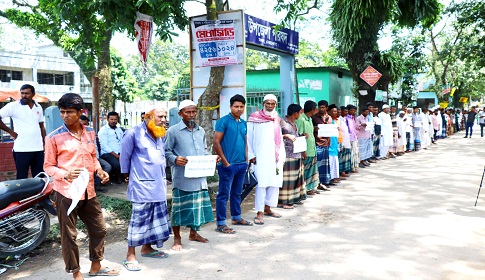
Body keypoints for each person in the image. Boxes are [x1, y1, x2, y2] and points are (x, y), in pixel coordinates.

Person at [44, 93, 118, 279]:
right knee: (69, 236)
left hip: (89, 191)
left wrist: (100, 171)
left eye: (69, 112)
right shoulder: (53, 137)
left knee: (99, 228)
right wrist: (65, 174)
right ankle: (75, 272)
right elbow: (48, 166)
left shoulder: (91, 132)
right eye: (62, 112)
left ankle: (95, 266)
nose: (65, 116)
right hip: (66, 193)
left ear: (80, 112)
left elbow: (93, 157)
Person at [120, 106, 171, 271]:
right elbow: (125, 156)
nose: (163, 120)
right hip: (141, 185)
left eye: (164, 116)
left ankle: (147, 248)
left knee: (154, 219)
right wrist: (126, 174)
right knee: (139, 221)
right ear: (147, 116)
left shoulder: (159, 134)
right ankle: (130, 255)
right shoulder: (133, 133)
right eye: (160, 116)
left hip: (158, 184)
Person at [164, 100, 215, 250]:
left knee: (196, 207)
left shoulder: (201, 131)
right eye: (188, 112)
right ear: (180, 114)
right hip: (182, 178)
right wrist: (175, 159)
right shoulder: (172, 131)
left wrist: (212, 159)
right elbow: (166, 151)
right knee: (179, 210)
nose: (191, 115)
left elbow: (205, 150)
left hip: (199, 177)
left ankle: (193, 233)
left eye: (193, 111)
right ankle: (177, 238)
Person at [213, 94, 253, 232]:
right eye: (236, 106)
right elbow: (216, 142)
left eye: (242, 107)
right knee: (223, 194)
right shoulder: (223, 121)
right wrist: (224, 162)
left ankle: (236, 217)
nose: (239, 109)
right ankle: (221, 223)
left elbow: (244, 141)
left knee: (236, 193)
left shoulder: (243, 123)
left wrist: (246, 159)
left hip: (241, 164)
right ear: (230, 107)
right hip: (227, 165)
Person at [247, 94, 285, 225]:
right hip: (260, 156)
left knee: (274, 183)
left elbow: (279, 138)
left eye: (272, 103)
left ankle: (268, 208)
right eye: (267, 103)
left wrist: (281, 155)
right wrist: (251, 155)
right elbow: (249, 137)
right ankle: (259, 212)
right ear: (263, 103)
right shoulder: (254, 118)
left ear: (275, 104)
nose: (270, 106)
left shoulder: (276, 118)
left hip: (275, 156)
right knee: (261, 184)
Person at [0, 84, 46, 179]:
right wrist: (11, 132)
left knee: (40, 177)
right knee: (22, 178)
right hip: (22, 149)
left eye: (27, 93)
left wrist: (45, 142)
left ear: (33, 94)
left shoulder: (38, 107)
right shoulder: (13, 106)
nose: (24, 96)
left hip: (38, 149)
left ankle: (39, 194)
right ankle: (22, 195)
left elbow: (41, 126)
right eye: (22, 93)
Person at [278, 104, 305, 209]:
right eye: (299, 113)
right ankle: (283, 201)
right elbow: (276, 136)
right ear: (295, 113)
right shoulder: (282, 123)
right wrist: (286, 136)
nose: (300, 115)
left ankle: (294, 198)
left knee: (295, 178)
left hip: (296, 153)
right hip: (287, 154)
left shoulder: (294, 123)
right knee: (287, 179)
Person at [79, 115, 112, 192]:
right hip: (83, 159)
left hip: (95, 158)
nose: (83, 126)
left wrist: (96, 158)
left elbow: (95, 147)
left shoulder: (90, 133)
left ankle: (95, 184)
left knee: (107, 167)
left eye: (85, 124)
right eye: (82, 123)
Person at [296, 100, 320, 196]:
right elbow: (300, 135)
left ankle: (310, 188)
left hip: (312, 149)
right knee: (305, 170)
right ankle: (304, 189)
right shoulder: (301, 119)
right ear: (313, 109)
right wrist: (303, 151)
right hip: (306, 150)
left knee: (312, 170)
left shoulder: (309, 119)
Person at [312, 100, 332, 190]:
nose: (321, 109)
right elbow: (310, 129)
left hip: (326, 143)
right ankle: (317, 182)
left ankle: (324, 181)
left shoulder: (329, 118)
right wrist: (314, 128)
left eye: (323, 107)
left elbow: (331, 130)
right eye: (319, 107)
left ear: (326, 108)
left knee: (325, 164)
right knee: (318, 164)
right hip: (317, 142)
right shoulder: (314, 117)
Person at [99, 112, 123, 183]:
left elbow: (122, 142)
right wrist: (117, 156)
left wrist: (121, 154)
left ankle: (126, 178)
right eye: (111, 119)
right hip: (107, 153)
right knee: (117, 165)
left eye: (115, 119)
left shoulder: (119, 130)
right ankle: (118, 179)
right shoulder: (103, 130)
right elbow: (104, 146)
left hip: (119, 152)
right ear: (107, 119)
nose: (113, 121)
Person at [327, 104, 341, 183]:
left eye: (336, 111)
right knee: (331, 161)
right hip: (330, 144)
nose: (335, 113)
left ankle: (334, 176)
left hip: (335, 142)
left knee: (334, 161)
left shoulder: (334, 120)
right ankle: (330, 178)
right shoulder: (328, 120)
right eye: (334, 111)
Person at [338, 106, 352, 177]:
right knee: (342, 157)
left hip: (347, 139)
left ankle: (346, 170)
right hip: (342, 140)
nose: (346, 113)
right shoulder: (339, 120)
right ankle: (342, 172)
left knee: (347, 156)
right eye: (345, 111)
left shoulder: (344, 119)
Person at [346, 105, 359, 173]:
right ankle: (350, 167)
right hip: (349, 138)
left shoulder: (352, 118)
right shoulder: (346, 118)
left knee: (354, 152)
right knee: (350, 153)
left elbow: (353, 128)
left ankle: (354, 166)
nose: (353, 112)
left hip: (354, 137)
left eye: (354, 110)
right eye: (352, 110)